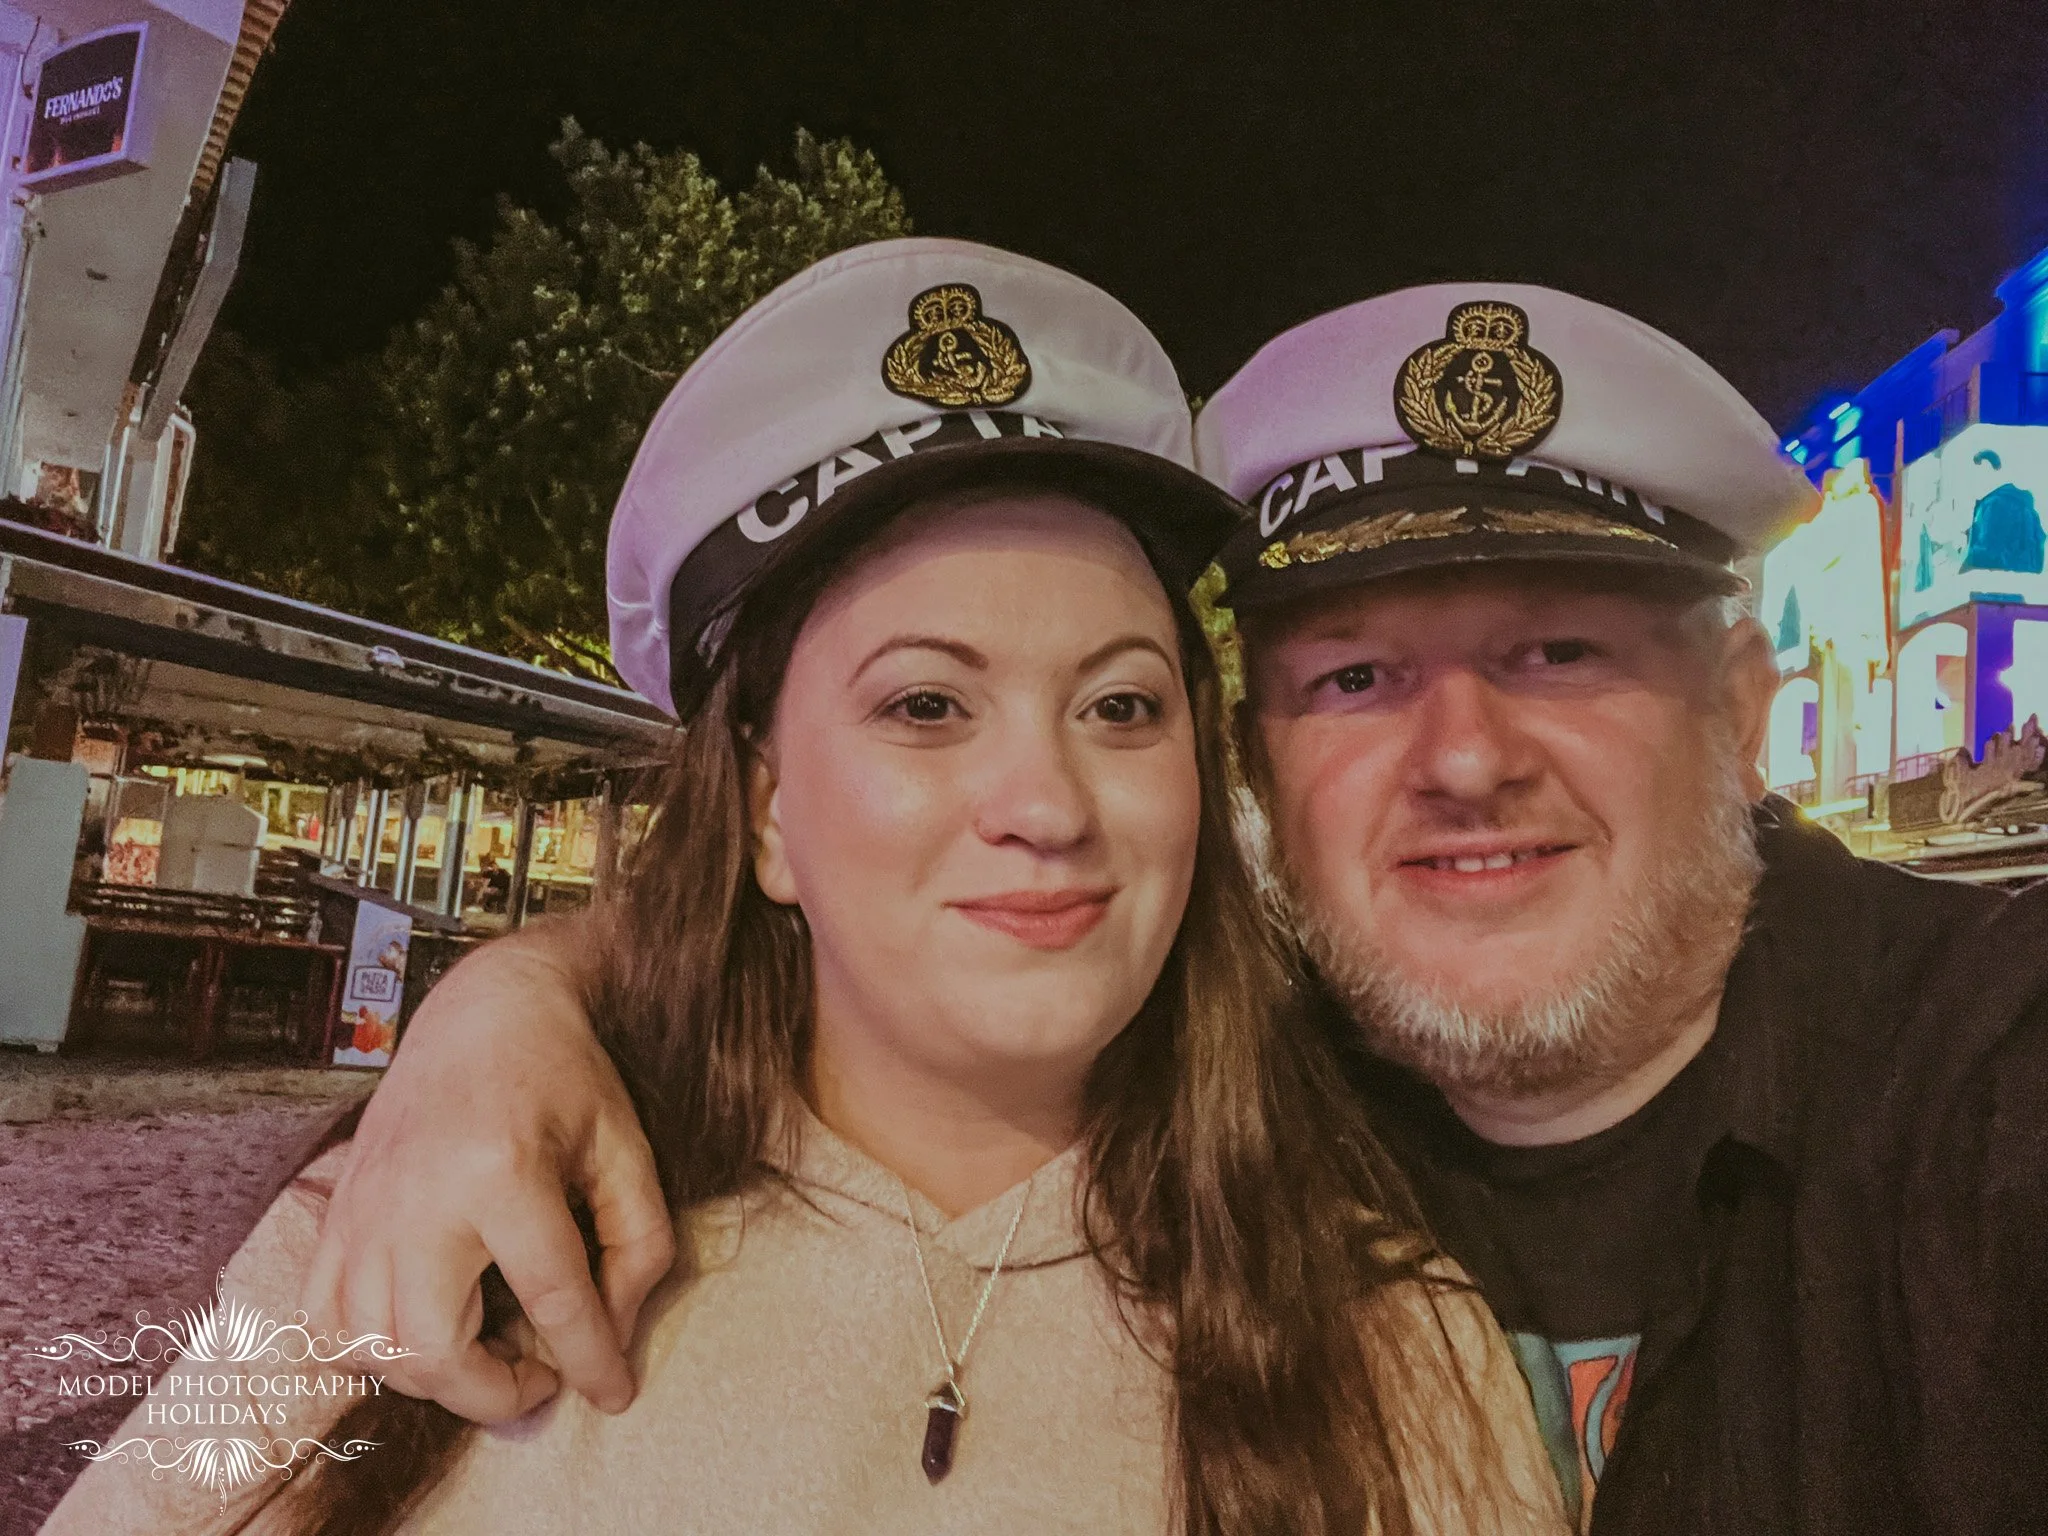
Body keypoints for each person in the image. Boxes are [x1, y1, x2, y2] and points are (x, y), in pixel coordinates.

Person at [283, 277, 2048, 1535]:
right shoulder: (1252, 1100)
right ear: (1262, 766)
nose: (1462, 757)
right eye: (1354, 678)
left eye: (1559, 653)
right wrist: (507, 1004)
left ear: (1742, 714)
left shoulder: (1981, 1082)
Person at [42, 242, 1560, 1535]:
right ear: (767, 810)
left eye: (1120, 706)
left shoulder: (1391, 1344)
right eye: (926, 706)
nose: (1047, 806)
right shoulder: (405, 1225)